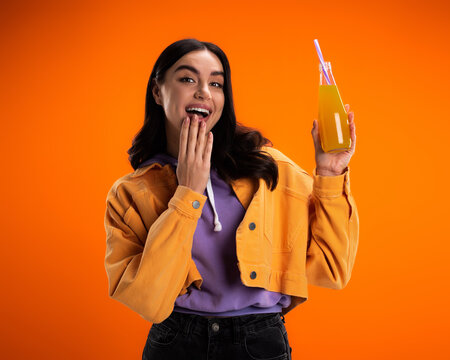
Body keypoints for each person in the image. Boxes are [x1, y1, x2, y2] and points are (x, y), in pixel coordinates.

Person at [104, 38, 359, 360]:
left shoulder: (270, 170)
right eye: (187, 79)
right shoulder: (131, 193)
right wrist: (187, 194)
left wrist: (330, 174)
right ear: (157, 92)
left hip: (259, 342)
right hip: (175, 342)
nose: (203, 92)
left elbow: (333, 270)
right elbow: (148, 302)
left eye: (216, 83)